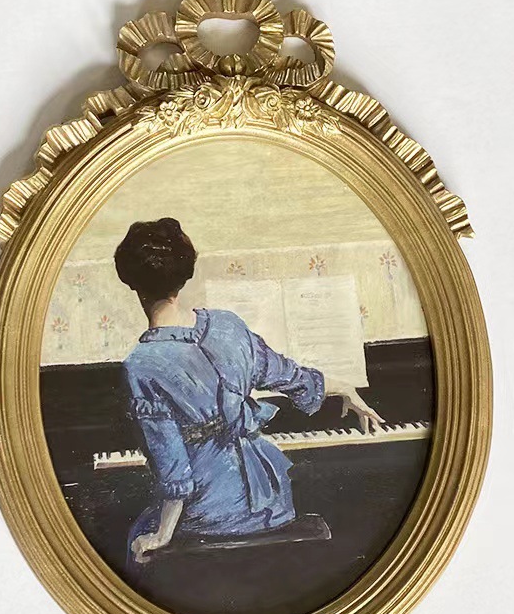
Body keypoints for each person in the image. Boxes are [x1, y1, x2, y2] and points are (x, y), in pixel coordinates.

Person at [114, 218, 384, 565]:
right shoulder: (226, 325)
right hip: (270, 500)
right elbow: (290, 376)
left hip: (207, 512)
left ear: (131, 282)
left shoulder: (142, 363)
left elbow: (173, 467)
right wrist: (344, 388)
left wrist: (162, 534)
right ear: (183, 274)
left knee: (136, 535)